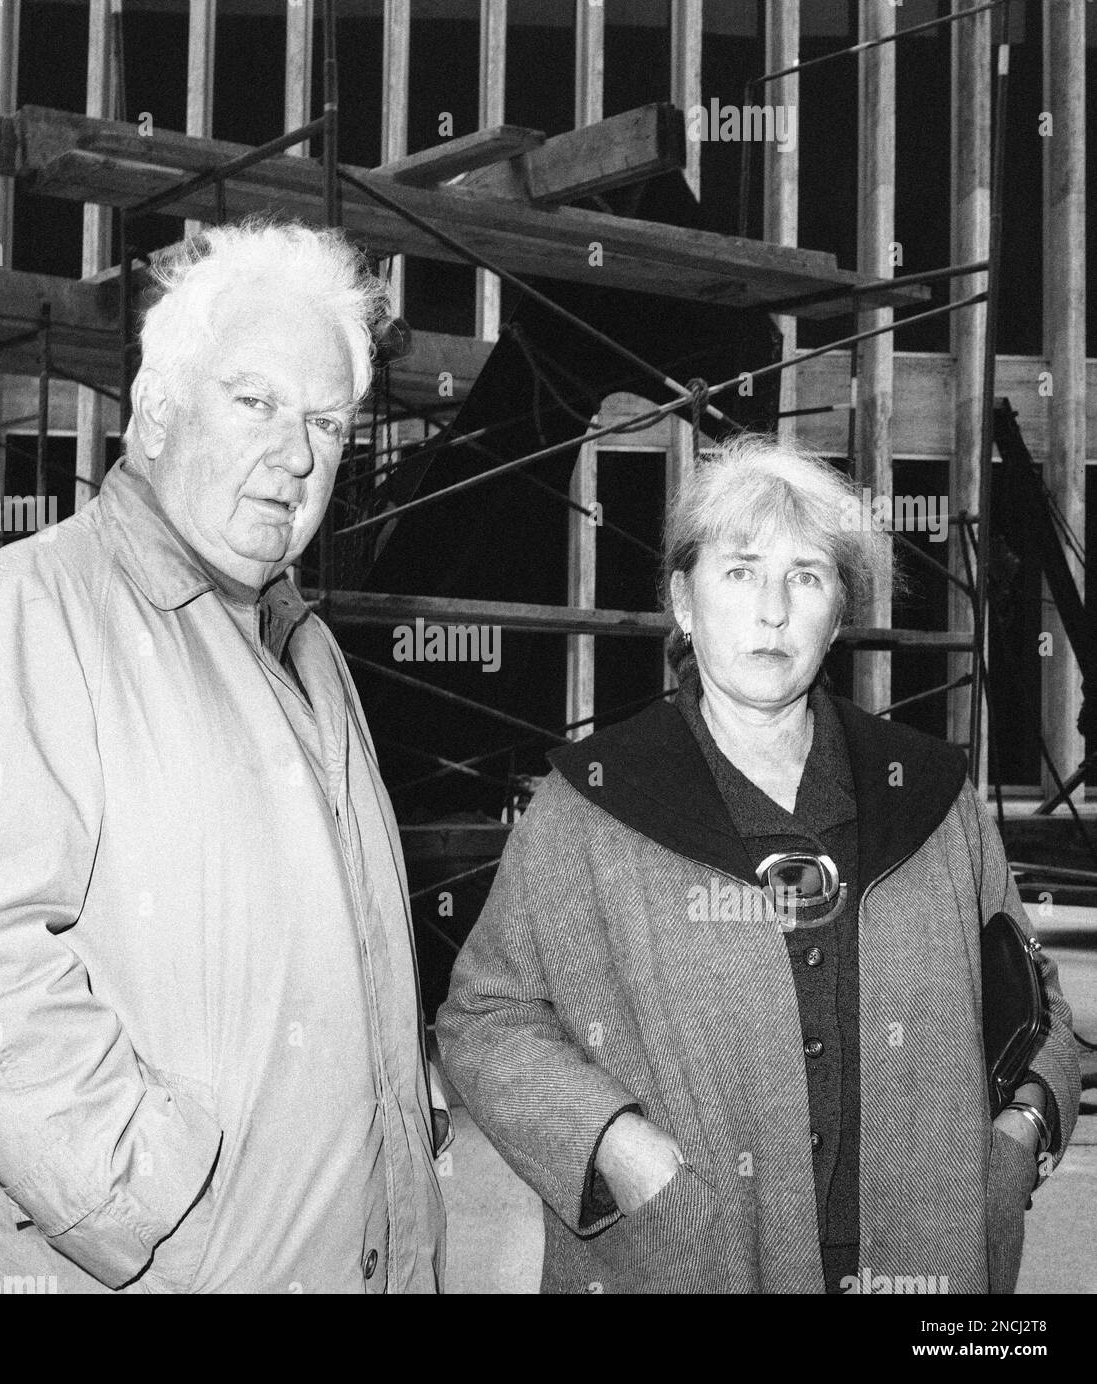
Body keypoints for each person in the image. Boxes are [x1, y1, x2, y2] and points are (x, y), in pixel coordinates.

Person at [0, 219, 448, 1294]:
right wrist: (147, 1192)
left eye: (326, 420)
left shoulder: (306, 652)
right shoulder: (28, 615)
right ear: (161, 406)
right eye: (256, 402)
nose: (298, 451)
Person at [436, 433, 1082, 1294]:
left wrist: (1023, 1132)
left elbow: (1036, 1007)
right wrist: (616, 1148)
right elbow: (484, 1018)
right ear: (684, 601)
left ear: (839, 612)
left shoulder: (930, 796)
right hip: (692, 1260)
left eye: (806, 576)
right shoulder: (593, 801)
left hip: (926, 1263)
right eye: (740, 571)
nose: (773, 610)